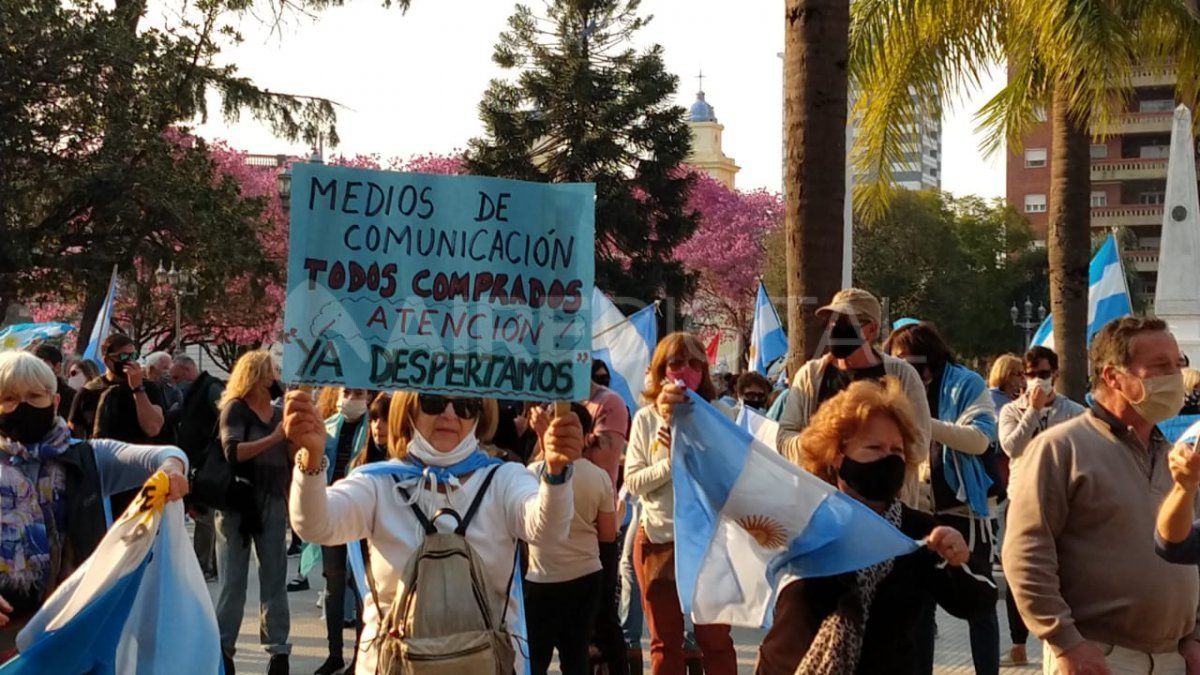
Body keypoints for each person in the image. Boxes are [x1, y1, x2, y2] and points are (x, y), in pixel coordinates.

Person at [282, 387, 580, 675]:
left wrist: (557, 475)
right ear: (409, 407)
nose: (449, 414)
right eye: (433, 401)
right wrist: (311, 457)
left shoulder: (504, 479)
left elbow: (548, 531)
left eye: (464, 404)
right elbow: (314, 524)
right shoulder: (378, 482)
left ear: (479, 414)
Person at [755, 378, 996, 675]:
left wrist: (961, 561)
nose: (889, 460)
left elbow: (976, 604)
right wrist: (683, 417)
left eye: (897, 450)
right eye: (874, 447)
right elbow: (721, 487)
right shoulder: (801, 517)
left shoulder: (917, 531)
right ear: (837, 454)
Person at [1004, 316, 1197, 675]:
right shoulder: (1061, 449)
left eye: (1178, 364)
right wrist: (1066, 641)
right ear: (1113, 376)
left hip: (1174, 659)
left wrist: (1195, 636)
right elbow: (1027, 553)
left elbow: (1191, 552)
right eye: (1159, 366)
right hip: (1098, 658)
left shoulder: (1175, 457)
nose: (1175, 376)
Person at [0, 351, 188, 656]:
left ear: (56, 401)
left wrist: (172, 470)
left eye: (34, 396)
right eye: (8, 398)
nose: (21, 406)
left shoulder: (90, 457)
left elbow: (165, 454)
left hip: (75, 628)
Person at [884, 322, 1001, 675]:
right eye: (894, 359)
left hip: (964, 511)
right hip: (915, 511)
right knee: (920, 605)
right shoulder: (891, 385)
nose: (900, 366)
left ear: (930, 356)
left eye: (906, 359)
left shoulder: (967, 384)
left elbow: (980, 439)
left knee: (978, 602)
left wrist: (921, 420)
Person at [625, 332, 738, 675]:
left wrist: (697, 449)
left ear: (704, 371)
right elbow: (633, 482)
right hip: (660, 541)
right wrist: (670, 459)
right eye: (675, 363)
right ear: (661, 372)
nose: (685, 371)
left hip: (710, 546)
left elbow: (730, 481)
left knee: (715, 642)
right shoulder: (646, 420)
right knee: (664, 644)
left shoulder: (722, 415)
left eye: (694, 363)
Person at [777, 288, 932, 507]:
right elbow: (784, 437)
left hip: (886, 513)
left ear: (871, 330)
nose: (833, 328)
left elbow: (919, 443)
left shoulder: (903, 376)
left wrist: (874, 459)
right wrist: (824, 447)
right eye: (830, 322)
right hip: (820, 506)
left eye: (844, 323)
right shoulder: (810, 376)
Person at [214, 351, 291, 675]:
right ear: (257, 376)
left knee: (275, 577)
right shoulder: (236, 409)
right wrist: (275, 437)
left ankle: (278, 651)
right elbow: (233, 452)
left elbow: (288, 458)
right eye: (272, 372)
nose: (276, 378)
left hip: (273, 501)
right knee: (234, 581)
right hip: (238, 504)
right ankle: (223, 649)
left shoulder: (278, 412)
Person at [525, 404, 617, 675]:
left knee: (534, 659)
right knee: (575, 656)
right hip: (584, 578)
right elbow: (608, 535)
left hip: (541, 578)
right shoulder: (599, 477)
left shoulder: (531, 473)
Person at [67, 333, 167, 515]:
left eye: (133, 356)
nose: (130, 362)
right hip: (103, 475)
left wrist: (137, 388)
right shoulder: (89, 392)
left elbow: (153, 428)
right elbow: (73, 433)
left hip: (140, 474)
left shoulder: (149, 388)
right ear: (108, 361)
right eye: (123, 357)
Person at [311, 387, 373, 675]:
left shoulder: (375, 426)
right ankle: (334, 653)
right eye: (347, 391)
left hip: (363, 515)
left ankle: (361, 656)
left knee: (362, 587)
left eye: (357, 392)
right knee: (334, 585)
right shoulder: (327, 427)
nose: (351, 397)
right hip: (333, 512)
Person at [170, 353, 225, 583]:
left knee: (204, 516)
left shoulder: (210, 387)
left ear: (186, 371)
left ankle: (205, 566)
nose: (173, 382)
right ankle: (203, 564)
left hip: (205, 462)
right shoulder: (196, 391)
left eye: (175, 376)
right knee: (200, 514)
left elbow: (225, 415)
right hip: (193, 460)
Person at [998, 346, 1087, 463]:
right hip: (1025, 479)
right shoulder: (1011, 411)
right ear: (1025, 377)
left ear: (1055, 374)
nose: (1037, 380)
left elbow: (1084, 453)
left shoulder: (1074, 412)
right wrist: (1033, 410)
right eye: (1031, 375)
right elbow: (1012, 450)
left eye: (1043, 374)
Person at [31, 343, 74, 420]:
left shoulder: (72, 397)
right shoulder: (25, 396)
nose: (36, 371)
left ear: (57, 367)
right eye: (33, 366)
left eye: (42, 365)